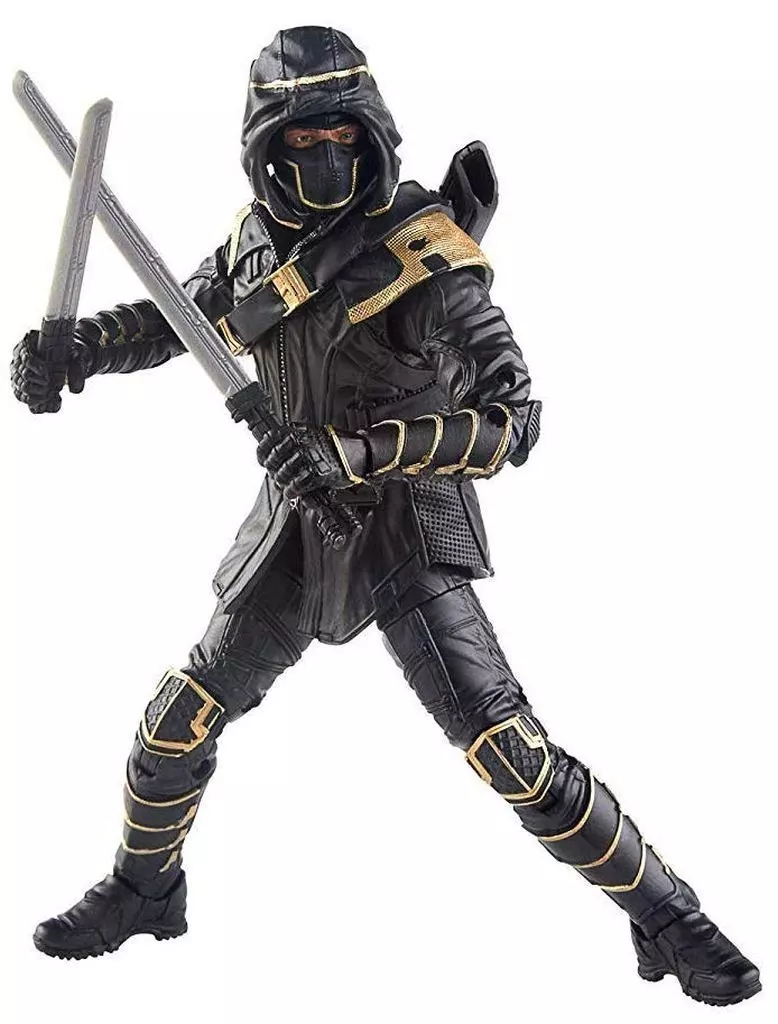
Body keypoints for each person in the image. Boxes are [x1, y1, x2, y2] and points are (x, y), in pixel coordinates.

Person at [11, 25, 760, 1006]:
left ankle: (671, 920)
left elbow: (512, 423)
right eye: (302, 141)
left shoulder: (427, 258)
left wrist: (355, 452)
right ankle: (144, 889)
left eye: (341, 139)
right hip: (295, 524)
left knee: (509, 750)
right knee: (176, 720)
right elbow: (182, 320)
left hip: (406, 524)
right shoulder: (253, 245)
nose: (325, 158)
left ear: (370, 137)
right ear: (267, 148)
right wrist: (78, 352)